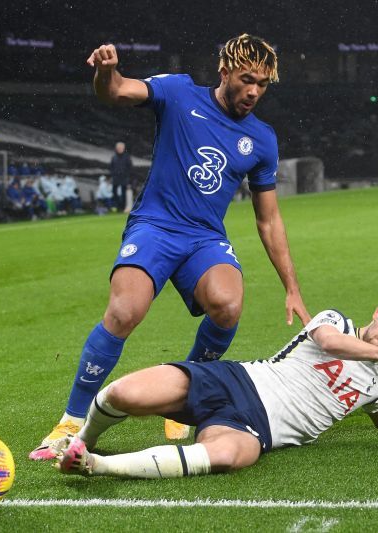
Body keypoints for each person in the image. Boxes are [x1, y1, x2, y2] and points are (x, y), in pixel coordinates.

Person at [29, 34, 310, 460]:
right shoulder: (178, 92)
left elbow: (268, 219)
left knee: (229, 305)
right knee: (125, 311)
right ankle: (71, 420)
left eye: (263, 84)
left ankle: (182, 397)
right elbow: (118, 91)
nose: (254, 91)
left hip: (204, 237)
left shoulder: (262, 139)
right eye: (247, 79)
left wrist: (291, 286)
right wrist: (106, 71)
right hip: (155, 227)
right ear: (224, 72)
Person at [51, 293, 378, 478]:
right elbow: (332, 343)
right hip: (237, 379)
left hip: (256, 429)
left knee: (230, 456)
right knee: (125, 394)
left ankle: (94, 465)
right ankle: (79, 438)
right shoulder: (335, 321)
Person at [109, 142, 131, 212]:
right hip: (115, 178)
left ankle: (122, 207)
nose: (119, 149)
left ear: (123, 148)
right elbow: (111, 167)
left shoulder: (127, 157)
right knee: (114, 192)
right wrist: (113, 174)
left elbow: (129, 167)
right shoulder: (114, 157)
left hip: (124, 178)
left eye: (121, 148)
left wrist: (126, 175)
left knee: (123, 193)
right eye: (118, 148)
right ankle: (116, 206)